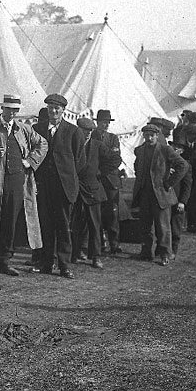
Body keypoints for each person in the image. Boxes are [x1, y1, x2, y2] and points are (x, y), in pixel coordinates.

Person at [0, 95, 47, 275]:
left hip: (18, 182)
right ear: (2, 109)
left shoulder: (23, 129)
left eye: (15, 110)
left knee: (11, 221)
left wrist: (30, 161)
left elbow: (43, 143)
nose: (12, 113)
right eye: (8, 109)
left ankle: (5, 260)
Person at [33, 94, 84, 279]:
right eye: (50, 108)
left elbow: (80, 160)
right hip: (43, 186)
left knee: (63, 226)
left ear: (63, 110)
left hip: (63, 188)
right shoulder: (37, 129)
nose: (53, 111)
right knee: (45, 225)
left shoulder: (73, 131)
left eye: (57, 108)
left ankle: (64, 265)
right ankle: (47, 262)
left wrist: (66, 177)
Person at [131, 124, 187, 266]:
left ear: (157, 136)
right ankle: (146, 252)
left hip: (161, 195)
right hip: (144, 194)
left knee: (163, 227)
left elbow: (183, 165)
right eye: (146, 135)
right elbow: (137, 167)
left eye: (152, 135)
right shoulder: (140, 150)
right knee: (145, 225)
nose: (149, 138)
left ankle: (165, 254)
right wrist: (140, 180)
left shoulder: (165, 150)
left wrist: (169, 183)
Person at [71, 117, 116, 269]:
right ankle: (76, 253)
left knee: (94, 224)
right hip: (75, 189)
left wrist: (100, 173)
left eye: (90, 131)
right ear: (78, 130)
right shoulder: (71, 144)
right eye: (85, 131)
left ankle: (96, 256)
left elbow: (116, 159)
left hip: (93, 190)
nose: (88, 134)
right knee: (76, 223)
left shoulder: (97, 146)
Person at [93, 110, 124, 254]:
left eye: (107, 122)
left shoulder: (113, 138)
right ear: (97, 122)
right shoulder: (91, 135)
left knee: (112, 212)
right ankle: (100, 242)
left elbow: (115, 159)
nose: (105, 125)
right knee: (96, 212)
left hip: (110, 180)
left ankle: (114, 243)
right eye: (103, 122)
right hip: (96, 180)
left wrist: (101, 171)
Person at [168, 142, 192, 259]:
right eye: (173, 148)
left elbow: (187, 186)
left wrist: (183, 202)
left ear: (181, 151)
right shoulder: (166, 162)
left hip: (177, 200)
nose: (174, 150)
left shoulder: (185, 165)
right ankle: (162, 249)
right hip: (165, 199)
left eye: (177, 149)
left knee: (176, 226)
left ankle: (173, 250)